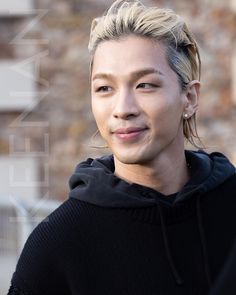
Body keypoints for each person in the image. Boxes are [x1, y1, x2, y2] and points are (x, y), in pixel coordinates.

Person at [7, 0, 236, 294]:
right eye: (104, 88)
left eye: (145, 85)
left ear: (189, 98)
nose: (123, 109)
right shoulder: (57, 244)